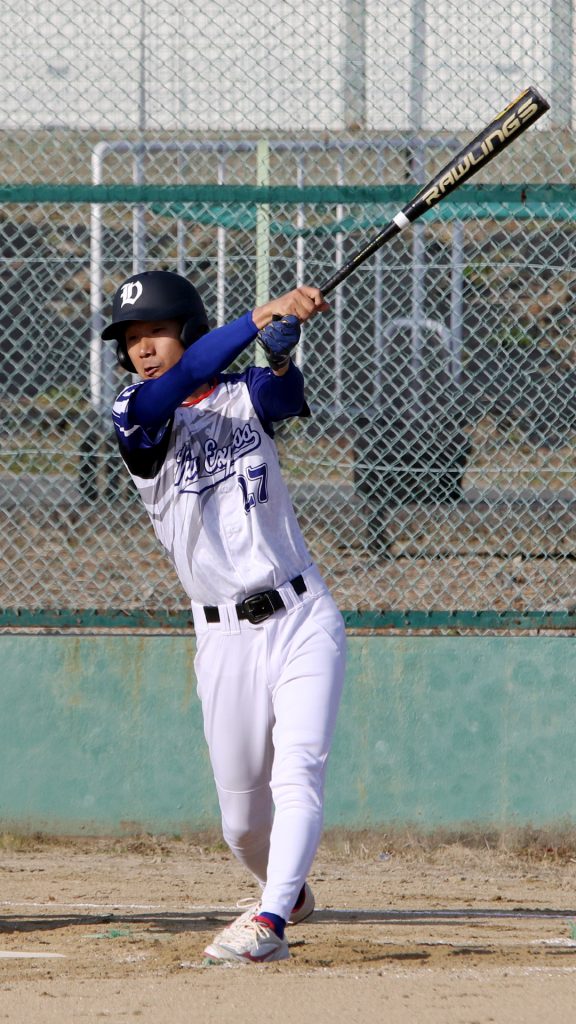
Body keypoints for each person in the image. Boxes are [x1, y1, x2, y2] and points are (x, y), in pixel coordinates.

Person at [104, 269, 347, 964]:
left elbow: (283, 395)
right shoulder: (136, 414)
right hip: (223, 638)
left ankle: (270, 921)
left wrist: (280, 355)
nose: (143, 348)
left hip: (302, 616)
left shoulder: (244, 394)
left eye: (157, 331)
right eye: (132, 338)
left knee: (298, 772)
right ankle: (288, 890)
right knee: (242, 826)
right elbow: (178, 384)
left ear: (188, 329)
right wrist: (259, 316)